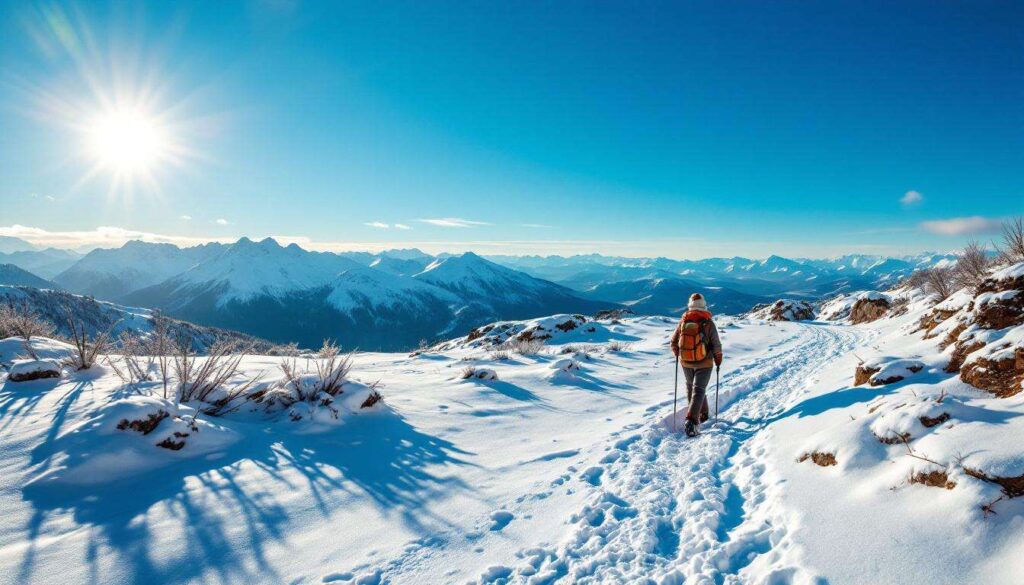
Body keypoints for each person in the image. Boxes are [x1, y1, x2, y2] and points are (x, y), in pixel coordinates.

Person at [670, 293, 723, 436]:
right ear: (704, 305)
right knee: (699, 389)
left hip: (686, 361)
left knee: (691, 387)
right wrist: (718, 359)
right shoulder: (708, 322)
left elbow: (673, 342)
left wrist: (678, 352)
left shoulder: (683, 320)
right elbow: (716, 345)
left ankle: (703, 414)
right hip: (704, 362)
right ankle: (692, 420)